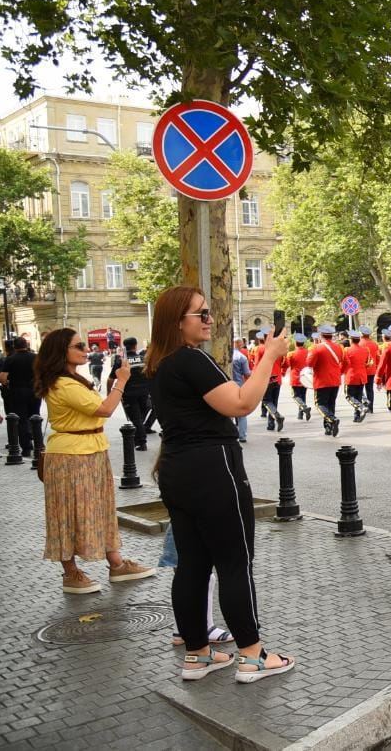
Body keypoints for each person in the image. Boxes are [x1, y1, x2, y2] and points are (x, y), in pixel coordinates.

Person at [146, 285, 295, 683]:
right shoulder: (192, 360)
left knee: (191, 565)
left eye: (209, 312)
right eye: (202, 314)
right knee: (235, 562)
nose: (210, 319)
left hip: (177, 471)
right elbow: (242, 403)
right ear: (178, 322)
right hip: (214, 470)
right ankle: (253, 655)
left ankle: (198, 654)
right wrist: (270, 357)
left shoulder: (159, 364)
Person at [34, 328, 156, 594]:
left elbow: (97, 410)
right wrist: (120, 382)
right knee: (68, 513)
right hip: (71, 455)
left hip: (91, 450)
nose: (85, 350)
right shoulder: (62, 383)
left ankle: (117, 564)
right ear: (60, 352)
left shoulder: (74, 379)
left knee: (99, 508)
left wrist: (115, 380)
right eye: (78, 346)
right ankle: (71, 573)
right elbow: (104, 409)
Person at [0, 336, 39, 456]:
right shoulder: (35, 357)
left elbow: (3, 378)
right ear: (26, 345)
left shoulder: (10, 359)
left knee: (22, 420)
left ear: (15, 346)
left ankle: (26, 447)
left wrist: (9, 381)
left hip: (18, 392)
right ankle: (38, 444)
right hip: (34, 391)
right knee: (35, 417)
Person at [111, 336, 152, 451]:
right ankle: (138, 436)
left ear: (125, 347)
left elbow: (111, 378)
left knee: (136, 419)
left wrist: (110, 392)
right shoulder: (144, 359)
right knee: (139, 418)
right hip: (144, 393)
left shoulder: (121, 361)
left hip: (129, 394)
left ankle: (141, 442)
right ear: (135, 346)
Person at [308, 324, 344, 437]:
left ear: (321, 335)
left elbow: (309, 363)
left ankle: (332, 420)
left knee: (320, 404)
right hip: (335, 380)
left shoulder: (317, 348)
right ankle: (328, 428)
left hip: (322, 380)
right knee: (330, 404)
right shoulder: (338, 347)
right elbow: (341, 360)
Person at [341, 333, 371, 423]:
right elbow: (368, 363)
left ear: (350, 340)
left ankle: (361, 407)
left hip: (351, 376)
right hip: (361, 376)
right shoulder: (366, 350)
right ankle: (357, 416)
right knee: (358, 397)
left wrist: (340, 372)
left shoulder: (346, 350)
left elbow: (344, 364)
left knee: (348, 396)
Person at [283, 334, 312, 421]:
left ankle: (303, 407)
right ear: (303, 343)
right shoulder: (308, 352)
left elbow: (287, 364)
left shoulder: (291, 354)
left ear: (295, 343)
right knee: (303, 395)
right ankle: (301, 414)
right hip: (305, 377)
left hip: (295, 377)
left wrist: (283, 372)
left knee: (295, 396)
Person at [231, 340, 252, 443]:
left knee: (228, 411)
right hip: (239, 386)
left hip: (226, 387)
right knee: (242, 413)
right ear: (240, 345)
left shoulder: (228, 356)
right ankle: (242, 436)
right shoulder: (241, 357)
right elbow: (247, 374)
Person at [358, 326, 380, 411]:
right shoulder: (374, 344)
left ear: (361, 334)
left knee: (360, 390)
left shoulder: (360, 343)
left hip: (362, 369)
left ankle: (362, 407)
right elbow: (377, 358)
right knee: (370, 389)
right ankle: (371, 408)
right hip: (372, 369)